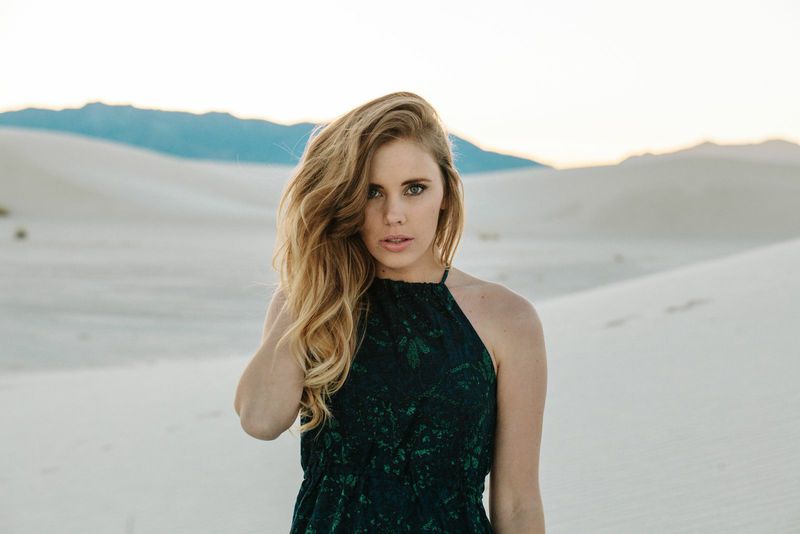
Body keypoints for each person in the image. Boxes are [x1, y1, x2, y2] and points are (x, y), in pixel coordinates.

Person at [234, 91, 547, 533]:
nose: (393, 214)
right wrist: (313, 271)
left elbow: (517, 504)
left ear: (445, 192)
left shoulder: (507, 318)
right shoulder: (311, 303)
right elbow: (261, 420)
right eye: (371, 192)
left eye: (414, 189)